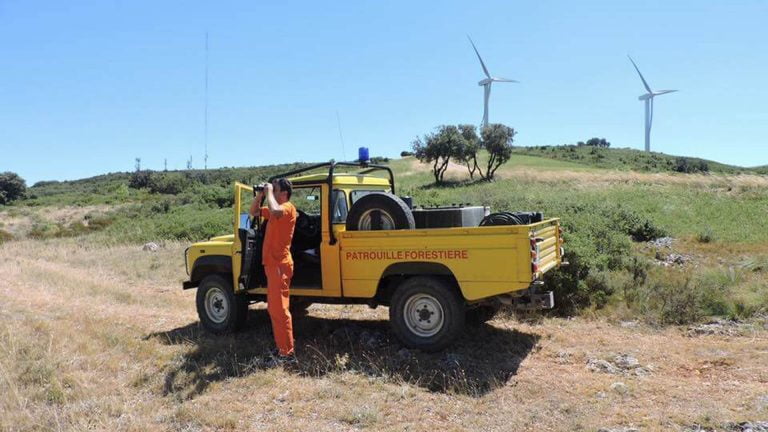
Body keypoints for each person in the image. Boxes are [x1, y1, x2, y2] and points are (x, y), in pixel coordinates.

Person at [250, 178, 298, 365]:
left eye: (275, 189)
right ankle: (283, 347)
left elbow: (276, 211)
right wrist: (261, 195)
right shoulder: (274, 210)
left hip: (280, 266)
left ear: (283, 193)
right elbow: (253, 212)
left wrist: (269, 192)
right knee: (274, 309)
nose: (272, 191)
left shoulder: (287, 208)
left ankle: (287, 354)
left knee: (280, 310)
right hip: (273, 265)